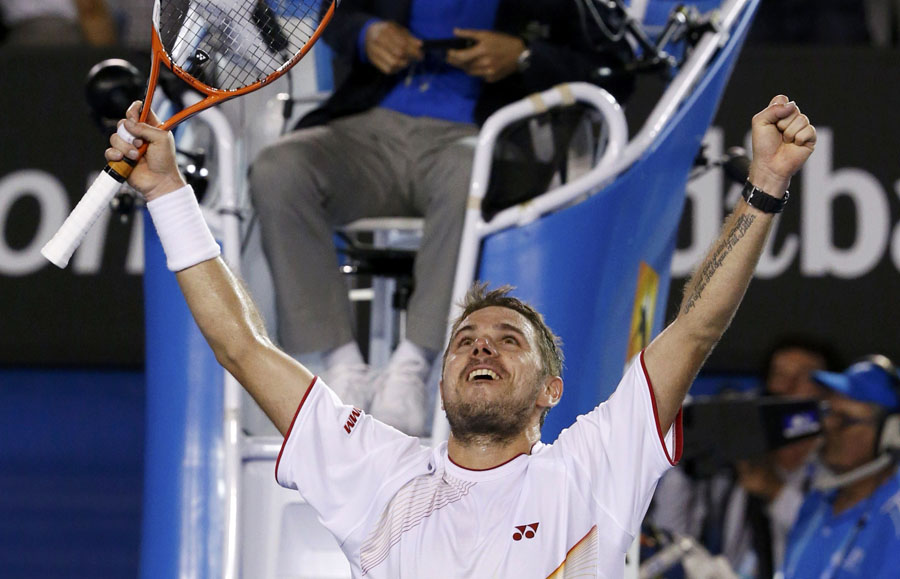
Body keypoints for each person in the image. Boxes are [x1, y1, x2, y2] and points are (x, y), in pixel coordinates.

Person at [106, 93, 815, 576]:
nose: (481, 345)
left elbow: (695, 329)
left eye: (510, 339)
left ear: (551, 391)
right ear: (443, 382)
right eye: (466, 338)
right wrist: (168, 195)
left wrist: (764, 185)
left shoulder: (591, 468)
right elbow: (241, 346)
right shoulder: (377, 471)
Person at [247, 0, 634, 435]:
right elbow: (336, 14)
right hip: (369, 128)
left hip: (480, 133)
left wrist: (524, 56)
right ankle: (342, 369)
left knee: (469, 171)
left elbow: (613, 68)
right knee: (279, 170)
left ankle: (413, 369)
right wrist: (367, 33)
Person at [650, 336, 837, 577]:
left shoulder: (836, 465)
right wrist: (684, 462)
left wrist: (775, 491)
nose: (786, 387)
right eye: (779, 375)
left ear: (828, 393)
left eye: (803, 377)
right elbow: (671, 536)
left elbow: (831, 541)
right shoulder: (732, 463)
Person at [782, 355, 900, 578]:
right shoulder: (816, 503)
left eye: (845, 419)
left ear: (893, 435)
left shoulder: (894, 520)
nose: (828, 426)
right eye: (829, 413)